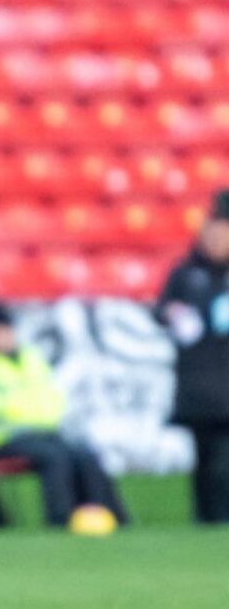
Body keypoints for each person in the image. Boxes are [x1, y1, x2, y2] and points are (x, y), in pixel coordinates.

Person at [0, 302, 129, 529]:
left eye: (7, 331)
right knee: (55, 457)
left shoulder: (30, 358)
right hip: (1, 438)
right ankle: (60, 519)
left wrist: (26, 409)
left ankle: (108, 514)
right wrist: (21, 409)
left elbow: (52, 397)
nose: (4, 337)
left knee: (85, 454)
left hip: (43, 432)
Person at [157, 189, 229, 524]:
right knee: (205, 458)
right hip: (199, 384)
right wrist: (172, 315)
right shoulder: (186, 273)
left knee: (223, 461)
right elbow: (160, 310)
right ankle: (207, 521)